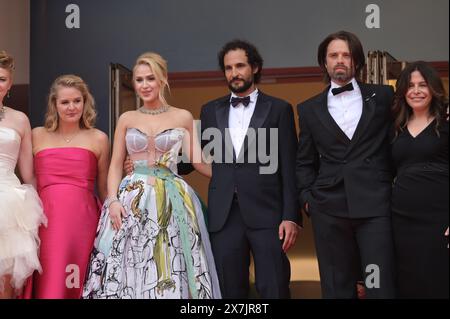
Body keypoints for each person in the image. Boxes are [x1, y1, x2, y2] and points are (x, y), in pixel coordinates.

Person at [82, 52, 221, 299]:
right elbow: (115, 165)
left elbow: (198, 160)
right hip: (131, 200)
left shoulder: (182, 116)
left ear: (163, 79)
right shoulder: (127, 118)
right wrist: (112, 200)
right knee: (129, 263)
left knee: (169, 260)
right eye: (139, 80)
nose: (144, 85)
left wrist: (235, 178)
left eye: (150, 78)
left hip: (171, 199)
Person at [296, 31, 396, 298]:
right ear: (324, 63)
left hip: (375, 205)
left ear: (357, 62)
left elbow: (400, 143)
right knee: (336, 287)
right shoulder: (308, 109)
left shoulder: (384, 96)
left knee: (380, 286)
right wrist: (309, 199)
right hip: (328, 208)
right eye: (333, 55)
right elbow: (304, 161)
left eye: (346, 54)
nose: (340, 60)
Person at [199, 40, 299, 298]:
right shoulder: (210, 110)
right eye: (228, 68)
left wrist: (291, 216)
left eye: (240, 65)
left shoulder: (279, 109)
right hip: (224, 215)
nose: (234, 73)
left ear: (254, 67)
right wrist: (155, 160)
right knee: (229, 289)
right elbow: (196, 155)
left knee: (274, 287)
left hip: (268, 214)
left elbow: (289, 166)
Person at [23, 74, 109, 299]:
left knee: (79, 280)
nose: (72, 107)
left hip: (83, 221)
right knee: (50, 280)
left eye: (77, 101)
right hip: (45, 220)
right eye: (65, 102)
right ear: (54, 104)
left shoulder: (99, 138)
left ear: (85, 102)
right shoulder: (36, 135)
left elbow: (105, 187)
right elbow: (28, 179)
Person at [390, 61, 449, 299]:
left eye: (422, 85)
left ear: (433, 88)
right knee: (408, 285)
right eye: (410, 85)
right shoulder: (395, 127)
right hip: (402, 222)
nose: (416, 91)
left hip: (440, 220)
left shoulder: (446, 122)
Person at [0, 51, 47, 299]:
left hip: (10, 202)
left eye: (2, 78)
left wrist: (43, 205)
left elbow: (29, 174)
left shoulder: (20, 120)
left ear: (9, 84)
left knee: (5, 282)